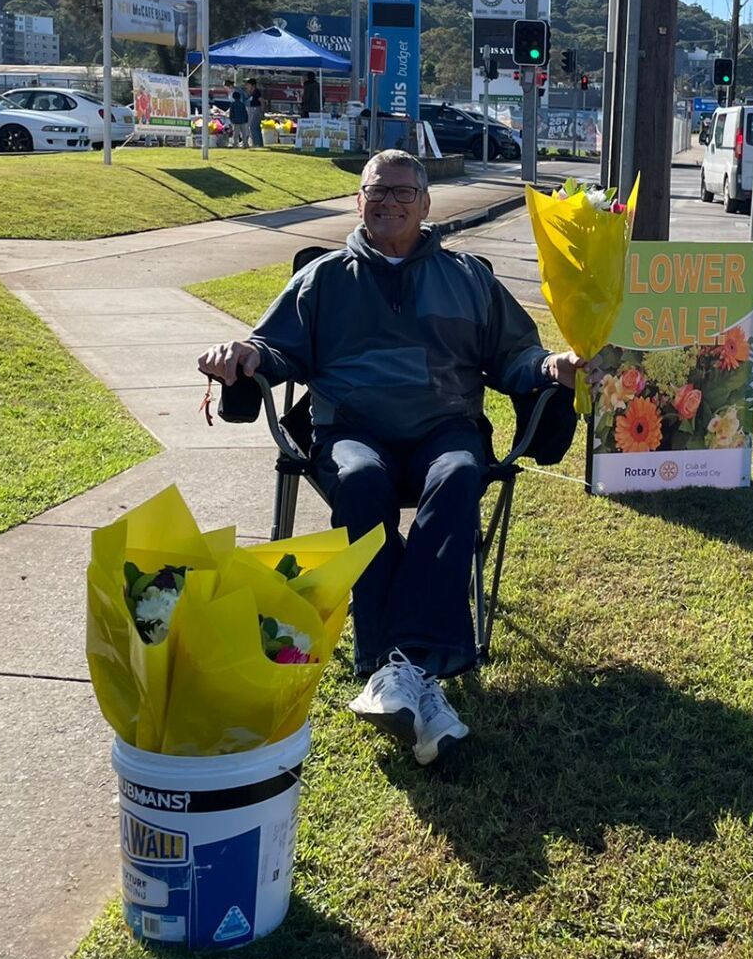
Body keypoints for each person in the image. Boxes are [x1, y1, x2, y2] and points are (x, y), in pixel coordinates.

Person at [197, 150, 581, 767]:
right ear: (358, 201)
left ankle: (390, 666)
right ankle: (416, 670)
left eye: (403, 192)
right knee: (359, 478)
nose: (389, 202)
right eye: (376, 191)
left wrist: (545, 367)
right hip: (354, 427)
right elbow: (273, 348)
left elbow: (514, 356)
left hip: (445, 426)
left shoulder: (469, 276)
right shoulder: (322, 278)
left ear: (426, 204)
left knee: (458, 474)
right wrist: (241, 356)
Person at [225, 80, 250, 148]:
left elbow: (231, 112)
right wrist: (246, 119)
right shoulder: (242, 104)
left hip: (236, 121)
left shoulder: (233, 103)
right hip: (243, 120)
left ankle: (235, 144)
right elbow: (245, 112)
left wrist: (231, 119)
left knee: (236, 133)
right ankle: (245, 144)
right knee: (244, 133)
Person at [246, 77, 266, 147]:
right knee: (256, 127)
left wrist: (262, 111)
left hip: (257, 109)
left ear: (253, 85)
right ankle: (259, 143)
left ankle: (256, 143)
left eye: (248, 85)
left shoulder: (256, 92)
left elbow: (262, 101)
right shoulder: (252, 93)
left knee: (253, 126)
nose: (247, 86)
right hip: (253, 109)